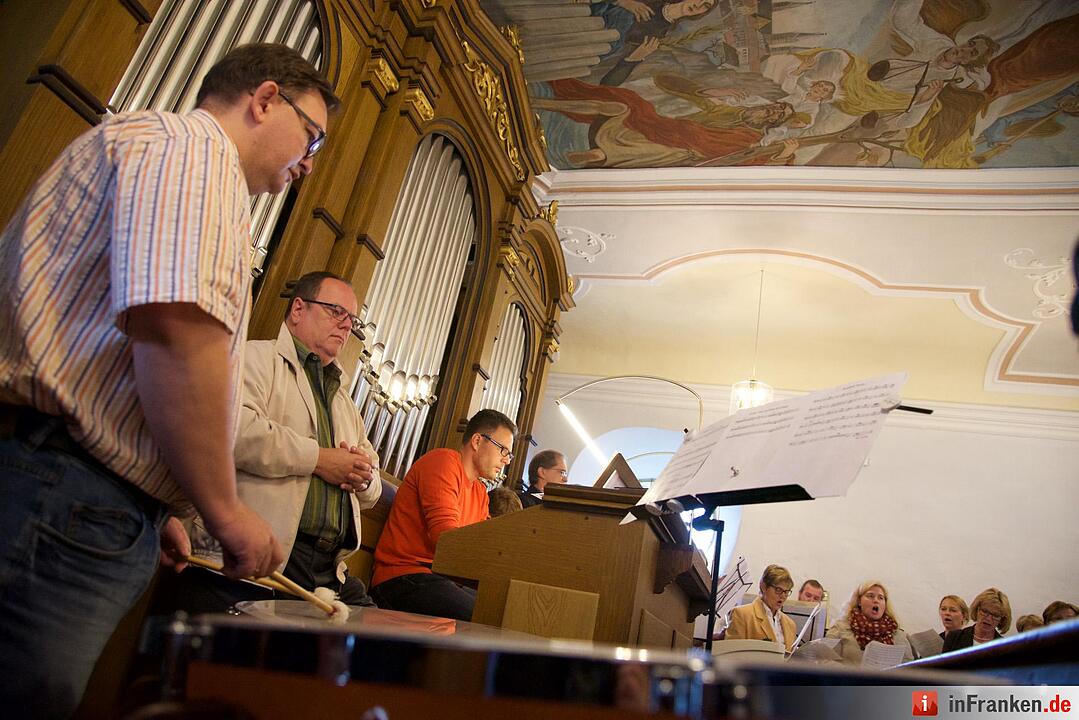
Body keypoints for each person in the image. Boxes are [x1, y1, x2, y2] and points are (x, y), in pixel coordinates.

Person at [0, 43, 339, 716]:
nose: (306, 165)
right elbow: (176, 336)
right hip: (60, 484)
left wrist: (163, 497)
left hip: (77, 485)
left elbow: (112, 352)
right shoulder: (192, 152)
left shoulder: (168, 154)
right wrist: (223, 510)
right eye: (313, 137)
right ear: (265, 99)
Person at [178, 272, 381, 612]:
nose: (347, 326)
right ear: (298, 309)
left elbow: (373, 488)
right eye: (336, 311)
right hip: (261, 557)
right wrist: (318, 459)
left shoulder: (345, 402)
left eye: (353, 319)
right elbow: (233, 429)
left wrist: (363, 476)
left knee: (388, 647)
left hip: (330, 572)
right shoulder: (254, 358)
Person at [370, 409, 517, 620]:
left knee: (505, 611)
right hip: (403, 577)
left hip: (441, 580)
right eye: (503, 450)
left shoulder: (480, 493)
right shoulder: (443, 462)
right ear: (477, 441)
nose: (506, 460)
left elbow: (481, 550)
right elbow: (446, 540)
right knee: (487, 617)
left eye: (509, 454)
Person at [826, 581, 913, 665]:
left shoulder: (898, 634)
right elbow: (825, 660)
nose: (876, 600)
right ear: (859, 601)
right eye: (870, 596)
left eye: (881, 598)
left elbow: (909, 668)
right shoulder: (839, 629)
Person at [726, 564, 799, 652]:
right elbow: (732, 655)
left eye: (786, 592)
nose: (783, 596)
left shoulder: (790, 624)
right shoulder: (741, 614)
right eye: (778, 590)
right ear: (763, 586)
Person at [942, 587, 1011, 652]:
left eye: (995, 615)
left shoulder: (1005, 647)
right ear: (976, 609)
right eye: (984, 611)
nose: (989, 618)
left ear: (1001, 620)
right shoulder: (954, 638)